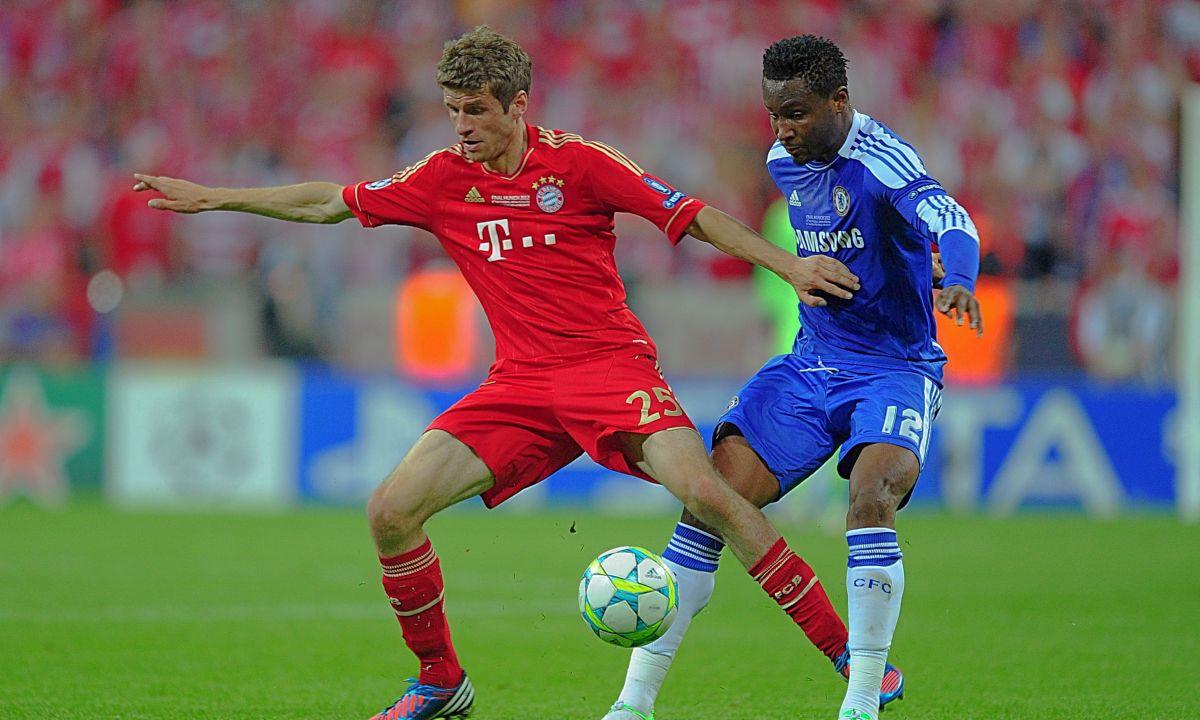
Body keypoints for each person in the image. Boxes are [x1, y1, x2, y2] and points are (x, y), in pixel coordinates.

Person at [133, 26, 866, 720]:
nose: (461, 126)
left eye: (475, 111)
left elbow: (694, 216)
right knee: (390, 511)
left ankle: (849, 655)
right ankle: (440, 682)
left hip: (609, 370)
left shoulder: (582, 164)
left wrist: (790, 265)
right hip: (518, 386)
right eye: (452, 111)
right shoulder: (442, 178)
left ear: (518, 105)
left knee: (709, 492)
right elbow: (333, 200)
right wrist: (215, 195)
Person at [604, 35, 983, 720]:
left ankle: (862, 701)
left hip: (893, 369)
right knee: (711, 500)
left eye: (799, 113)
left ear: (840, 102)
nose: (783, 131)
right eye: (774, 114)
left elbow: (949, 218)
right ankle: (632, 705)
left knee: (873, 497)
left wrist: (954, 277)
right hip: (810, 364)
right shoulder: (785, 161)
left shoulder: (881, 158)